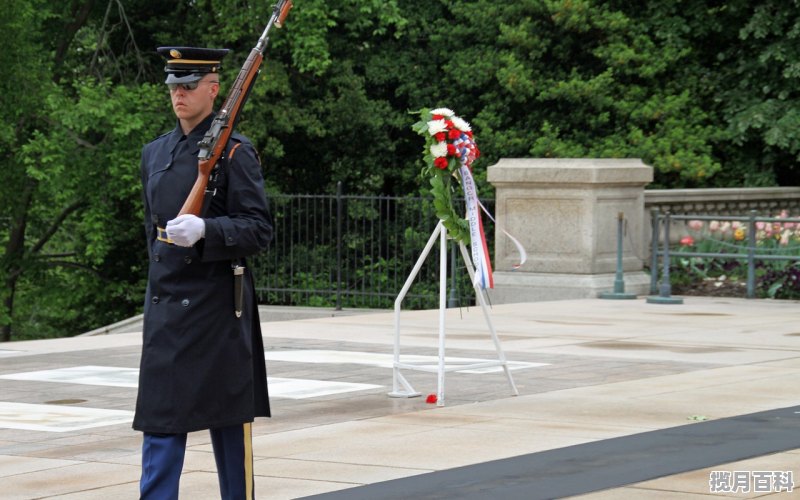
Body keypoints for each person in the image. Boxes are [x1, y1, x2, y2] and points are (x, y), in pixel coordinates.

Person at [133, 46, 272, 500]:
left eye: (189, 86)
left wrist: (207, 229)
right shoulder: (155, 152)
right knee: (161, 423)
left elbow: (258, 229)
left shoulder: (235, 152)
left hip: (215, 308)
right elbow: (151, 229)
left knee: (230, 425)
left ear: (214, 89)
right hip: (168, 303)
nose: (179, 94)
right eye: (173, 85)